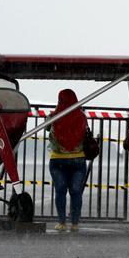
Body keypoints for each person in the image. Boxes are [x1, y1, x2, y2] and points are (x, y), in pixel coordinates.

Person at [48, 89, 88, 232]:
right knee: (76, 191)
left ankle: (62, 222)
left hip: (58, 160)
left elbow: (47, 128)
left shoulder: (53, 117)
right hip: (78, 160)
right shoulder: (82, 117)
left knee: (60, 190)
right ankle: (75, 224)